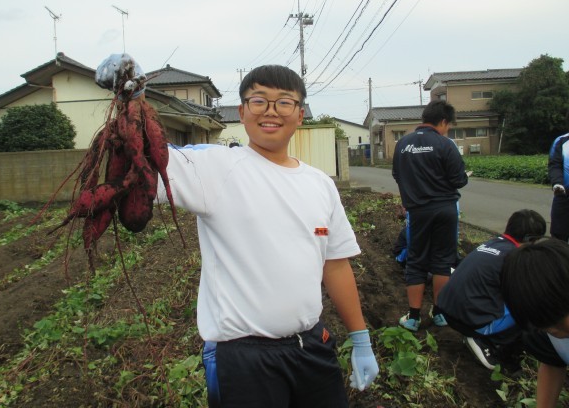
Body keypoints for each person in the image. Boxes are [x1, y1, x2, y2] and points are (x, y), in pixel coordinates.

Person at [158, 65, 378, 407]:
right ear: (242, 111)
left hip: (312, 346)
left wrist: (360, 338)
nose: (271, 111)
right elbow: (145, 165)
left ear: (300, 114)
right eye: (259, 101)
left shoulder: (319, 184)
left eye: (284, 102)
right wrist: (132, 103)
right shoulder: (213, 168)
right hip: (243, 358)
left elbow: (335, 265)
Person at [392, 100, 469, 331]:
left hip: (418, 211)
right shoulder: (445, 144)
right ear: (443, 121)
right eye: (449, 125)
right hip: (446, 210)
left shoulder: (403, 144)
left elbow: (397, 174)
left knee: (416, 260)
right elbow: (459, 179)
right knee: (442, 261)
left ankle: (413, 317)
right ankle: (439, 313)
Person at [436, 209, 547, 370]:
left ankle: (481, 331)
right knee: (532, 311)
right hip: (469, 321)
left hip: (447, 311)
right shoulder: (516, 257)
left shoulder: (491, 244)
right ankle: (488, 343)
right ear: (530, 239)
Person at [501, 238, 569, 408]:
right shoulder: (548, 332)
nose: (554, 330)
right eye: (545, 325)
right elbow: (553, 361)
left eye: (559, 320)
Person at [548, 132, 569, 242]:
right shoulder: (561, 141)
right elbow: (555, 165)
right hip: (564, 194)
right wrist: (557, 183)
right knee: (558, 236)